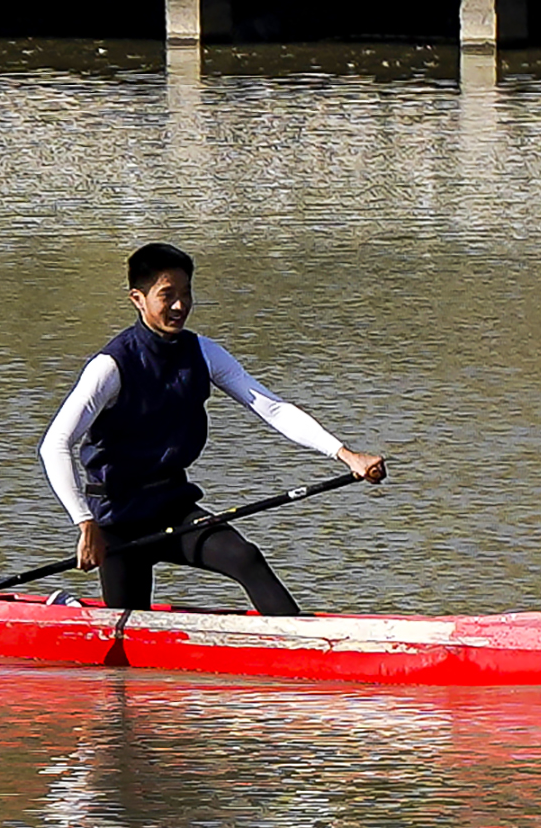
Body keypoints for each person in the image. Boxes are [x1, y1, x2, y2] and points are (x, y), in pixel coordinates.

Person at [39, 244, 383, 617]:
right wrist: (85, 523)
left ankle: (307, 646)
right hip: (117, 520)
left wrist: (346, 454)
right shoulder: (110, 366)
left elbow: (273, 408)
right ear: (138, 299)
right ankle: (67, 611)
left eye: (186, 294)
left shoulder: (201, 352)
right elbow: (55, 444)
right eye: (167, 296)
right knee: (129, 625)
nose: (179, 306)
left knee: (245, 558)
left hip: (172, 506)